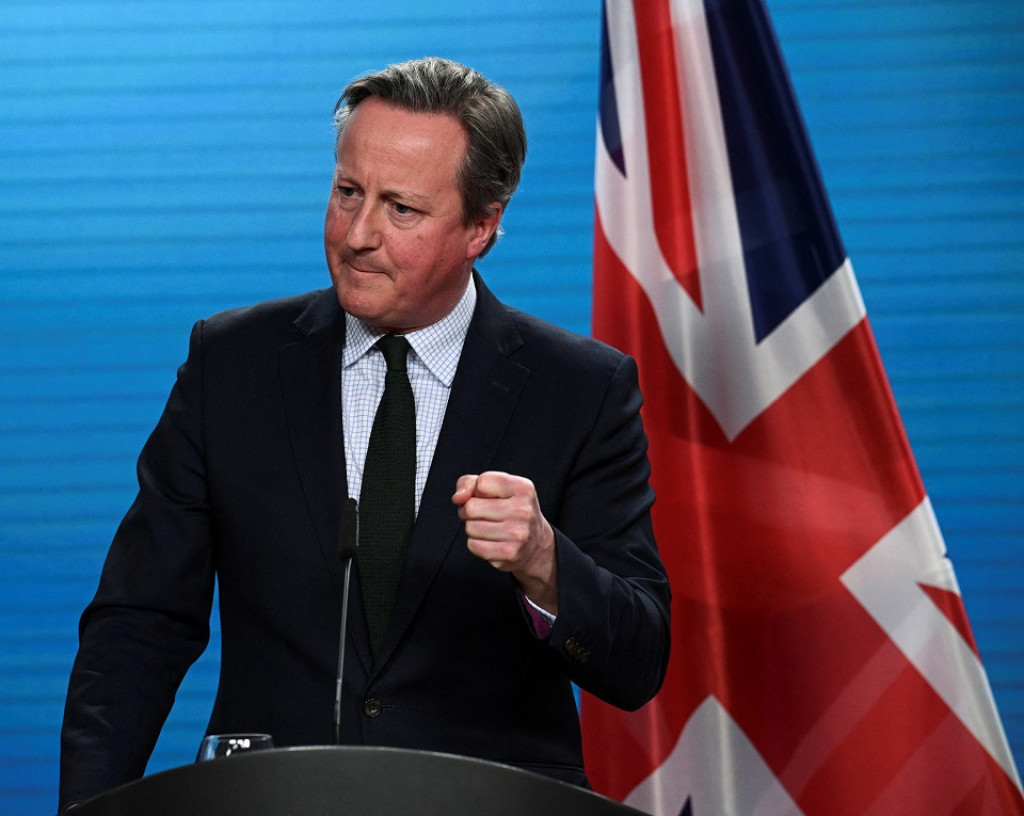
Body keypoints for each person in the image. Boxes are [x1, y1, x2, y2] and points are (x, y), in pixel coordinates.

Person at [59, 57, 670, 812]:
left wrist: (546, 564)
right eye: (348, 192)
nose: (358, 234)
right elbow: (138, 626)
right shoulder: (232, 365)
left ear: (482, 225)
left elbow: (638, 661)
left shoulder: (579, 390)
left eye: (401, 209)